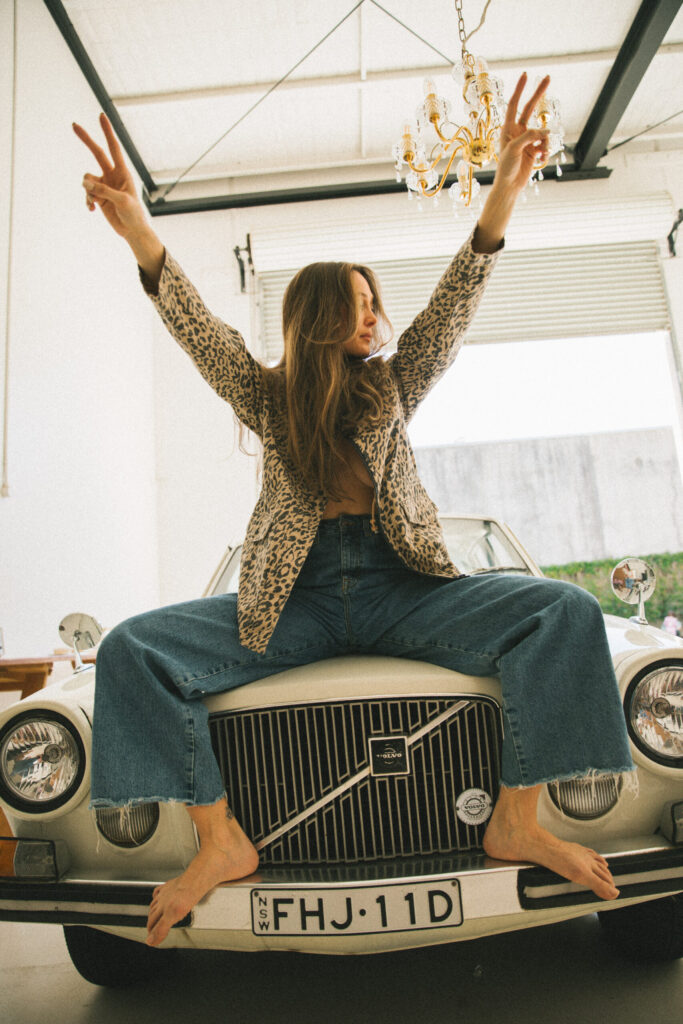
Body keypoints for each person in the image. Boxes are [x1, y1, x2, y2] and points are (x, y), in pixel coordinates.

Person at [73, 73, 635, 948]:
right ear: (326, 315)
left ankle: (516, 820)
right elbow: (200, 331)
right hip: (288, 603)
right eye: (365, 304)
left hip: (400, 588)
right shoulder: (266, 398)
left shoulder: (394, 386)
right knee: (131, 648)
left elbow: (450, 313)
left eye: (377, 304)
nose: (379, 317)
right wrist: (138, 231)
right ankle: (218, 839)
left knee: (562, 608)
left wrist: (504, 195)